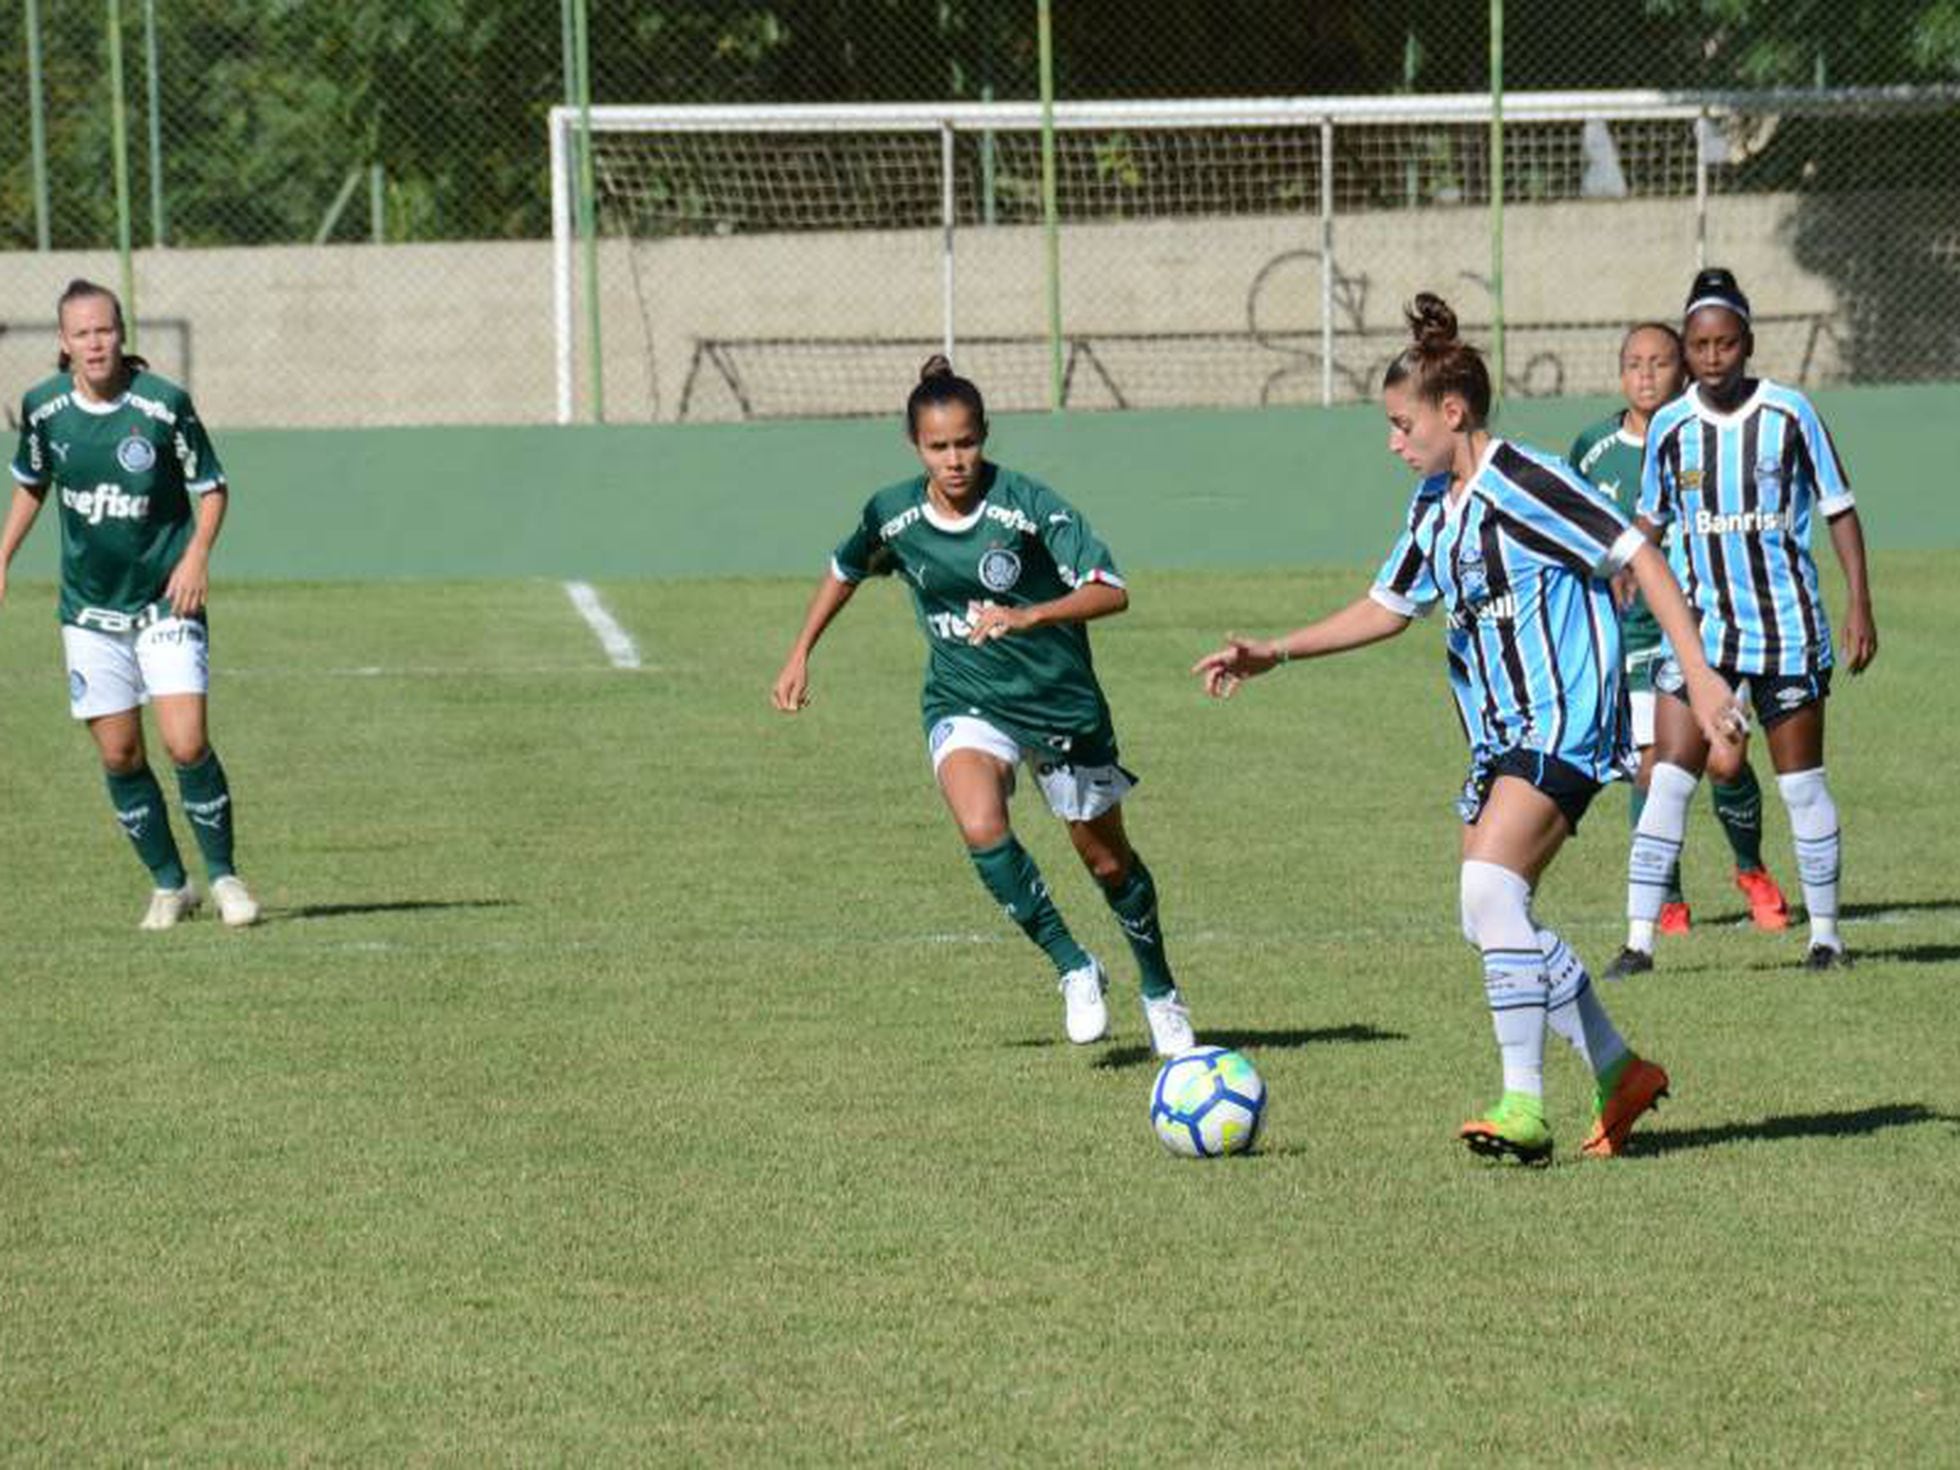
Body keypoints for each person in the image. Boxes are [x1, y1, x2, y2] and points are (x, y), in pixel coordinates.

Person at [1193, 294, 1741, 1164]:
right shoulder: (1431, 506)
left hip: (1563, 721)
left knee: (1492, 896)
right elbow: (1387, 605)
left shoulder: (1523, 481)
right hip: (1497, 735)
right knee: (1491, 917)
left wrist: (1701, 677)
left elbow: (1636, 552)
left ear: (1453, 412)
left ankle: (1524, 1106)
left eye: (1401, 422)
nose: (1392, 440)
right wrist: (1276, 652)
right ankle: (1617, 1069)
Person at [771, 356, 1195, 1056]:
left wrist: (1029, 617)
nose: (955, 459)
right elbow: (846, 568)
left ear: (984, 435)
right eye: (939, 447)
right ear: (916, 447)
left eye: (965, 442)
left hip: (1058, 705)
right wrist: (800, 651)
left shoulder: (1028, 506)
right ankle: (1073, 966)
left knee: (1108, 865)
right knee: (980, 826)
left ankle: (1160, 992)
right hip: (965, 699)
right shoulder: (894, 513)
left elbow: (1110, 589)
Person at [1605, 269, 1876, 975]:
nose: (1714, 356)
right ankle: (1638, 942)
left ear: (1748, 343)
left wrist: (1859, 603)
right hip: (1699, 637)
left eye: (1726, 342)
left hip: (1786, 632)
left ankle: (1826, 938)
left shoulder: (1791, 414)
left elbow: (1838, 507)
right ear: (1687, 350)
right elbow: (1653, 518)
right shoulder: (1669, 426)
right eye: (1700, 344)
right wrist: (1632, 564)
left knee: (1802, 786)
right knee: (1668, 779)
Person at [2, 279, 260, 930]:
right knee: (119, 754)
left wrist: (197, 554)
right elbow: (33, 485)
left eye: (105, 329)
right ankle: (171, 885)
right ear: (64, 343)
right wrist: (2, 555)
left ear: (122, 333)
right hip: (89, 612)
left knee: (186, 741)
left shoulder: (164, 405)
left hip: (164, 603)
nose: (95, 342)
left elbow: (212, 485)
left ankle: (225, 877)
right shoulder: (43, 408)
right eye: (82, 333)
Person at [1569, 323, 1789, 945]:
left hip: (1713, 628)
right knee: (1652, 769)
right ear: (1619, 374)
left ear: (1683, 371)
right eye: (1633, 363)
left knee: (1726, 760)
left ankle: (1751, 869)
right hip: (1634, 636)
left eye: (1660, 363)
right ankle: (1666, 897)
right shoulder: (1592, 447)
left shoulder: (1702, 438)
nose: (1645, 375)